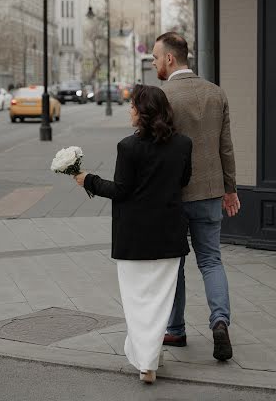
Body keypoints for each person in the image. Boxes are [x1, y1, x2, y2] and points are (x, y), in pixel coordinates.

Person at [75, 84, 192, 384]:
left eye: (132, 106)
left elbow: (121, 190)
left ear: (144, 112)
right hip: (168, 235)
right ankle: (151, 358)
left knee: (137, 302)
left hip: (134, 237)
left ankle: (147, 363)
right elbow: (184, 179)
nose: (130, 110)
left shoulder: (128, 147)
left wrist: (88, 179)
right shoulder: (183, 144)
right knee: (160, 303)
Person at [152, 32, 241, 362]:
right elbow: (226, 147)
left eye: (155, 58)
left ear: (170, 59)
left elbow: (156, 151)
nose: (154, 63)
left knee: (175, 265)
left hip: (174, 198)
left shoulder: (163, 97)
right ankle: (220, 321)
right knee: (211, 260)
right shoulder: (215, 93)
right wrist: (229, 189)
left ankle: (175, 329)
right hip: (209, 193)